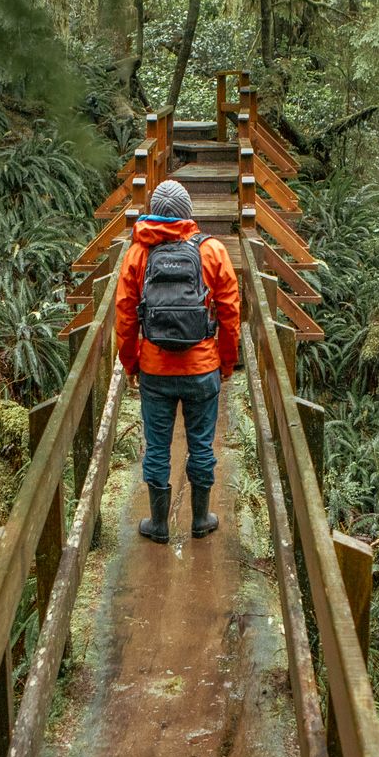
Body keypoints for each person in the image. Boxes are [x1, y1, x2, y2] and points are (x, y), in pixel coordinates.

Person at [114, 178, 242, 543]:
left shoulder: (139, 253)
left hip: (155, 368)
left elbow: (125, 314)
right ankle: (200, 519)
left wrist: (131, 362)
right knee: (202, 445)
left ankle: (158, 524)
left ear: (155, 211)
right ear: (187, 214)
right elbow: (231, 312)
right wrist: (226, 363)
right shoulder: (211, 250)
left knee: (157, 446)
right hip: (203, 368)